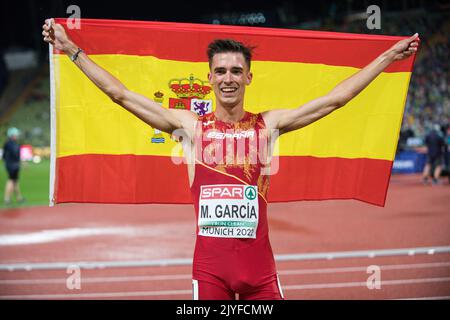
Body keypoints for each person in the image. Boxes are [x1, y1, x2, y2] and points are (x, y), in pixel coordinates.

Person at [42, 18, 419, 300]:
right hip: (210, 274)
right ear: (209, 77)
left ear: (249, 78)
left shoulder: (269, 125)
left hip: (260, 274)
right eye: (220, 71)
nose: (228, 78)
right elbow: (121, 95)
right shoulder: (190, 127)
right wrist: (70, 48)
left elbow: (335, 100)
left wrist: (387, 56)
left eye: (236, 71)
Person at [2, 127, 25, 205]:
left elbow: (4, 156)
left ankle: (19, 197)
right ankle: (7, 199)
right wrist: (21, 162)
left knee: (15, 181)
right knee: (11, 180)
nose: (17, 136)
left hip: (9, 164)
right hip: (13, 165)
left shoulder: (7, 143)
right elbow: (16, 154)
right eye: (16, 134)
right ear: (12, 135)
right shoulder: (13, 144)